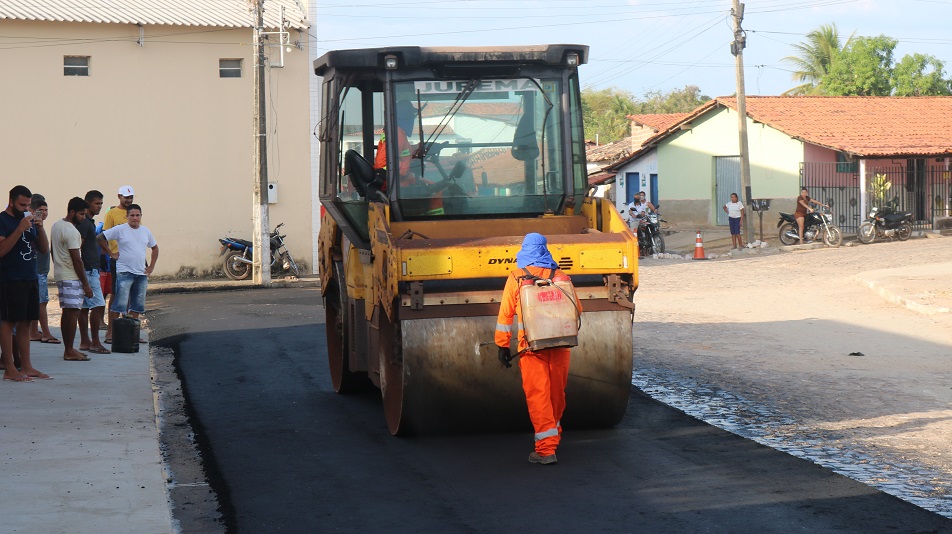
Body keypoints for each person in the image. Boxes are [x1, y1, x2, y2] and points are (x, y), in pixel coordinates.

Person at [495, 233, 581, 465]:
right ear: (545, 250)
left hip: (531, 349)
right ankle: (553, 437)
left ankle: (546, 450)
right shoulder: (561, 276)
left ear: (524, 251)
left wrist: (502, 345)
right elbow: (577, 310)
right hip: (561, 346)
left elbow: (505, 315)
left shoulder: (517, 277)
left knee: (538, 396)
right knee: (556, 394)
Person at [0, 185, 51, 382]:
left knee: (27, 321)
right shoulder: (3, 220)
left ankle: (27, 366)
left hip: (31, 276)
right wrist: (19, 228)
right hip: (11, 278)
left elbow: (44, 250)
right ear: (11, 201)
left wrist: (39, 227)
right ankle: (10, 367)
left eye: (28, 205)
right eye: (22, 204)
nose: (25, 208)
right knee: (8, 322)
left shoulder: (29, 221)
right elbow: (2, 250)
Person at [97, 204, 158, 335]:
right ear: (127, 216)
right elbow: (100, 238)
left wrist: (151, 266)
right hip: (124, 273)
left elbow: (155, 248)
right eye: (132, 215)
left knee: (137, 306)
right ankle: (110, 333)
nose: (135, 218)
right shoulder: (120, 229)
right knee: (119, 304)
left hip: (141, 273)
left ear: (141, 216)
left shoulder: (146, 231)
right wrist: (110, 253)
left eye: (137, 215)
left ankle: (130, 335)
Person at [51, 197, 94, 361]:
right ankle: (69, 350)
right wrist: (86, 285)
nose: (83, 218)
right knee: (73, 313)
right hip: (71, 276)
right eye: (82, 214)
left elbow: (52, 251)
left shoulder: (56, 226)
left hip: (62, 274)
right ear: (72, 212)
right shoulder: (72, 231)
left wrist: (59, 267)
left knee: (67, 313)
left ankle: (69, 349)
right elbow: (77, 259)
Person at [77, 190, 109, 354]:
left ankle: (85, 342)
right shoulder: (84, 223)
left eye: (101, 203)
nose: (100, 207)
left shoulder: (89, 222)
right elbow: (78, 248)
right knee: (98, 305)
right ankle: (95, 342)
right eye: (97, 203)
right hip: (88, 271)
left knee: (84, 307)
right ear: (88, 203)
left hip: (90, 269)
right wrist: (83, 270)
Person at [101, 185, 135, 341]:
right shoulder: (111, 213)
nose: (128, 200)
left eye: (130, 197)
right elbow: (104, 236)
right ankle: (110, 331)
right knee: (115, 295)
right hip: (118, 260)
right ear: (119, 196)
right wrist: (110, 254)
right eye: (126, 197)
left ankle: (127, 330)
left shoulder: (133, 213)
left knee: (130, 295)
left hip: (133, 260)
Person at [28, 198, 59, 344]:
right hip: (37, 271)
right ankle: (46, 332)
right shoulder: (31, 226)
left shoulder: (39, 226)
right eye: (41, 210)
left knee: (38, 302)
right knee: (42, 302)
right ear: (32, 211)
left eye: (46, 210)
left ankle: (34, 331)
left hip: (41, 271)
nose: (44, 213)